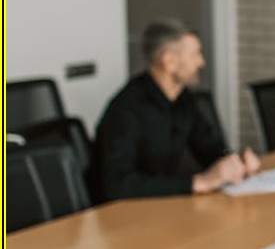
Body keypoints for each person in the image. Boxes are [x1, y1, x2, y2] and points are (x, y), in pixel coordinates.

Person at [92, 19, 260, 202]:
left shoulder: (183, 99)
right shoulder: (126, 109)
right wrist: (198, 182)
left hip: (162, 207)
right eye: (195, 54)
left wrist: (237, 161)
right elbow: (119, 185)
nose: (201, 63)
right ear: (169, 61)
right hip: (120, 218)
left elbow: (208, 149)